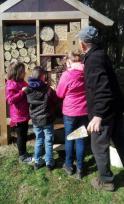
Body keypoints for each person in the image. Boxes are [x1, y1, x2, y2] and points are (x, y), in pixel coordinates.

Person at [78, 26, 124, 191]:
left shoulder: (93, 60)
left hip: (103, 114)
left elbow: (102, 89)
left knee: (99, 147)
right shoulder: (101, 55)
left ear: (83, 44)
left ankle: (106, 181)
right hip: (114, 110)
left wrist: (98, 115)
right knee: (120, 142)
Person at [56, 51, 88, 180]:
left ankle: (69, 166)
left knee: (69, 138)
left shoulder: (67, 75)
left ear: (69, 61)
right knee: (80, 138)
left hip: (70, 112)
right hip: (84, 111)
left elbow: (59, 94)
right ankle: (80, 168)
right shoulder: (87, 72)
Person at [23, 66, 56, 170]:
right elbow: (55, 99)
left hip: (36, 119)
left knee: (39, 139)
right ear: (42, 77)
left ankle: (37, 161)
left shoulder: (28, 89)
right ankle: (49, 162)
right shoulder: (48, 89)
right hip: (47, 119)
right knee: (49, 140)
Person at [6, 62, 31, 163]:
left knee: (24, 135)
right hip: (18, 116)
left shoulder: (22, 81)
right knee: (21, 136)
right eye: (22, 71)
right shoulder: (11, 84)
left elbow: (26, 89)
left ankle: (24, 152)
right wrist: (22, 92)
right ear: (17, 72)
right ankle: (22, 156)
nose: (25, 73)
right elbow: (10, 100)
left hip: (24, 114)